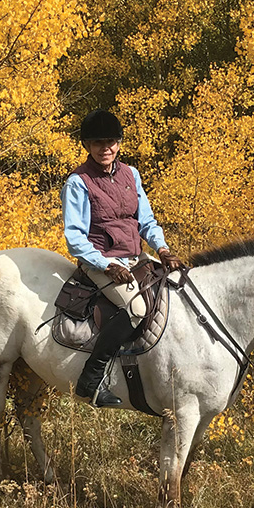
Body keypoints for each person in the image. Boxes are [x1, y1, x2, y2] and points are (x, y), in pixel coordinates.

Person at [63, 109, 183, 407]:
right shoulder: (78, 183)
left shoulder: (131, 174)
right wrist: (107, 265)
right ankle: (91, 380)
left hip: (137, 256)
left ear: (119, 143)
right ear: (87, 146)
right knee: (136, 309)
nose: (106, 148)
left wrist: (163, 249)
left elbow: (146, 221)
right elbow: (74, 238)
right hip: (99, 261)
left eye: (111, 142)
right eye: (98, 143)